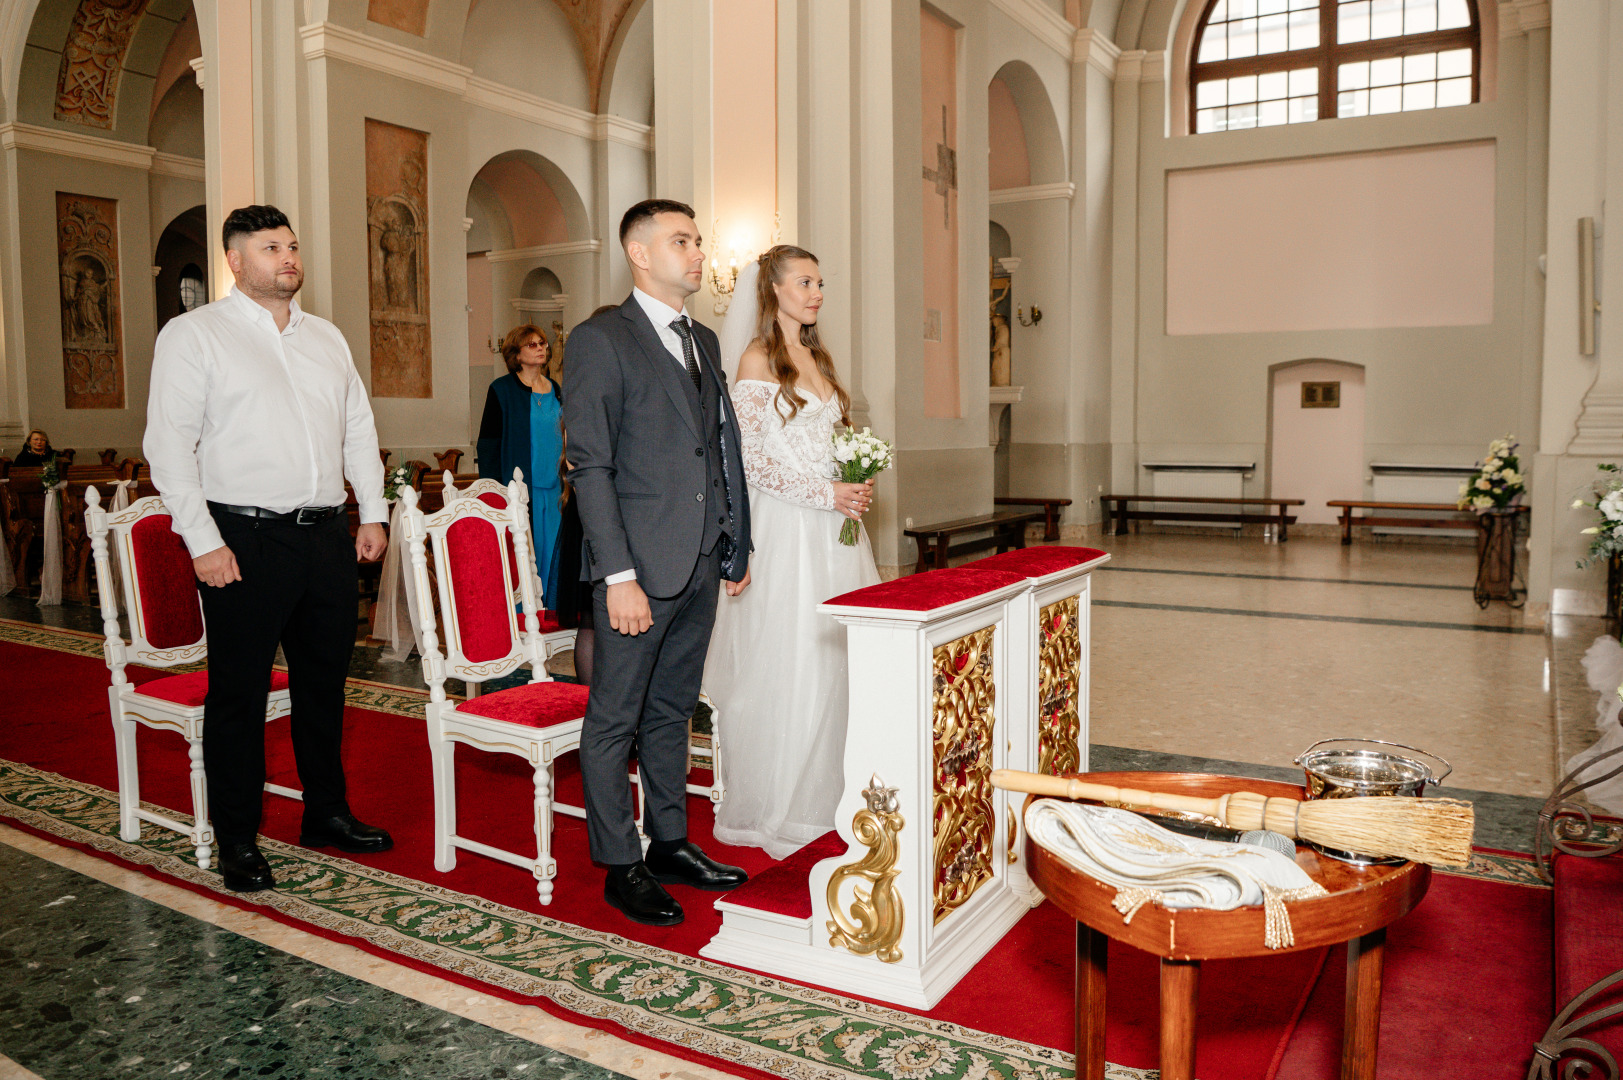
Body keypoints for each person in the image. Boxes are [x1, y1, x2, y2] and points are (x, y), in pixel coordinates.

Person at [144, 204, 393, 894]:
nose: (287, 256)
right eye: (269, 247)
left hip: (324, 537)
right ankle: (236, 839)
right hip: (241, 537)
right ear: (235, 261)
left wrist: (370, 513)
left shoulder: (327, 339)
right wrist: (202, 541)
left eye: (291, 244)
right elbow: (168, 446)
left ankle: (327, 814)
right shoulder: (195, 335)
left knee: (324, 687)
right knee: (240, 694)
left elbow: (356, 430)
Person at [563, 199, 753, 926]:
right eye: (682, 241)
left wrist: (735, 540)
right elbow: (592, 467)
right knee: (615, 717)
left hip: (700, 559)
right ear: (639, 253)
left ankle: (670, 840)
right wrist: (617, 576)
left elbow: (722, 447)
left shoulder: (700, 338)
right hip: (636, 569)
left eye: (698, 240)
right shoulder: (598, 339)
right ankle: (619, 863)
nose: (698, 253)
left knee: (673, 709)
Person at [703, 246, 879, 858]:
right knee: (792, 657)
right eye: (805, 280)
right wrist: (824, 490)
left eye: (821, 281)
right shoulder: (757, 357)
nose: (816, 292)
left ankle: (831, 790)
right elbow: (751, 460)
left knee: (837, 659)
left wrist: (852, 480)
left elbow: (826, 442)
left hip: (832, 531)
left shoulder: (816, 356)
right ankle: (776, 801)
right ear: (773, 288)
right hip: (787, 529)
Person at [476, 325, 565, 607]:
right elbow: (488, 444)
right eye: (532, 345)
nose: (541, 348)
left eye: (542, 343)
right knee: (524, 554)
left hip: (555, 488)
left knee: (553, 552)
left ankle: (551, 613)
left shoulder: (556, 389)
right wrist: (491, 492)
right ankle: (522, 616)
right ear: (516, 353)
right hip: (518, 490)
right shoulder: (501, 390)